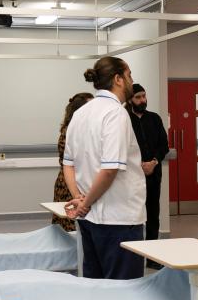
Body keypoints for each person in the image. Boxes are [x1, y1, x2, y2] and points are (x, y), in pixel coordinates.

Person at [62, 57, 146, 280]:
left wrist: (79, 199)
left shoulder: (80, 114)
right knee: (124, 291)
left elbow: (68, 164)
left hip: (90, 221)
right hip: (118, 220)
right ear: (118, 79)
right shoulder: (115, 114)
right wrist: (85, 204)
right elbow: (109, 170)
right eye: (129, 76)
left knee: (96, 287)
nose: (131, 81)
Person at [125, 83, 170, 268]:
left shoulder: (154, 119)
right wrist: (138, 166)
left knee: (153, 215)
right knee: (132, 217)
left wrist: (153, 162)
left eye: (144, 96)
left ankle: (152, 258)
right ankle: (131, 257)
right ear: (129, 100)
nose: (143, 100)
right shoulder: (124, 119)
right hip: (131, 177)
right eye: (138, 97)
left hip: (153, 175)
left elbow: (164, 146)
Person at [52, 92, 94, 233]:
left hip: (78, 181)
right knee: (69, 226)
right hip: (70, 184)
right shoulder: (70, 131)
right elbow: (71, 163)